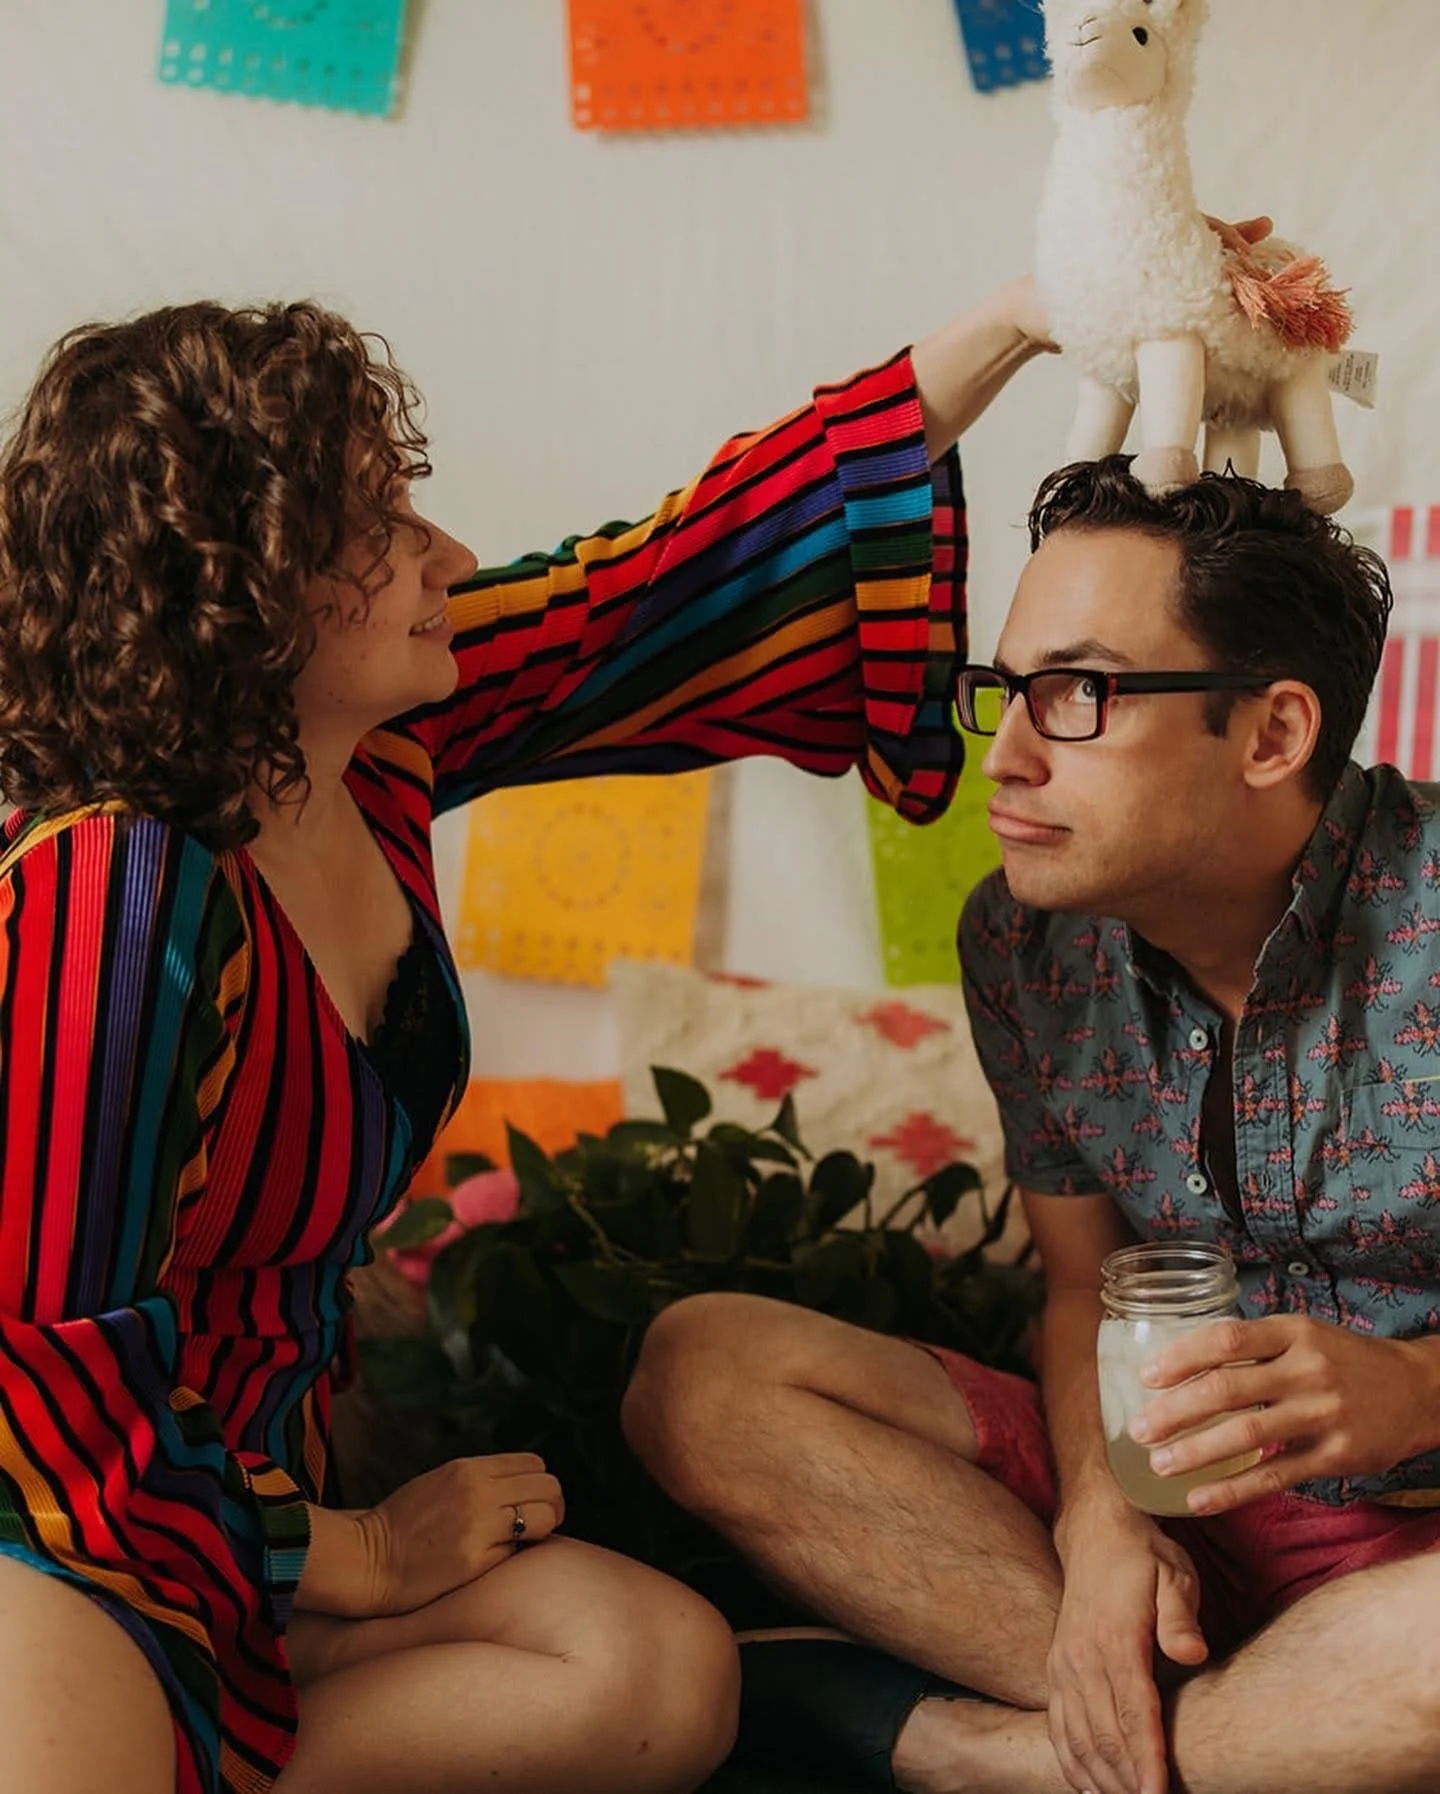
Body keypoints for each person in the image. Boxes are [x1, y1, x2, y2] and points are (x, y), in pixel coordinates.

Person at [0, 280, 1050, 1794]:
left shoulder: (365, 751)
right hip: (65, 1524)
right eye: (382, 522)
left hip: (244, 1525)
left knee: (658, 1671)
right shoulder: (108, 885)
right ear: (241, 581)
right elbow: (34, 1357)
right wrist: (345, 1546)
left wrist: (1021, 317)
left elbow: (645, 588)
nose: (447, 555)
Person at [623, 458, 1440, 1794]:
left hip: (1419, 1542)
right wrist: (1103, 1518)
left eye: (1078, 695)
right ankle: (1252, 1721)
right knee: (701, 1372)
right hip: (1173, 1503)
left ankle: (970, 1750)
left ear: (1272, 733)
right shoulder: (1021, 941)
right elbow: (1081, 1285)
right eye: (1006, 691)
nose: (1002, 754)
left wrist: (1416, 1387)